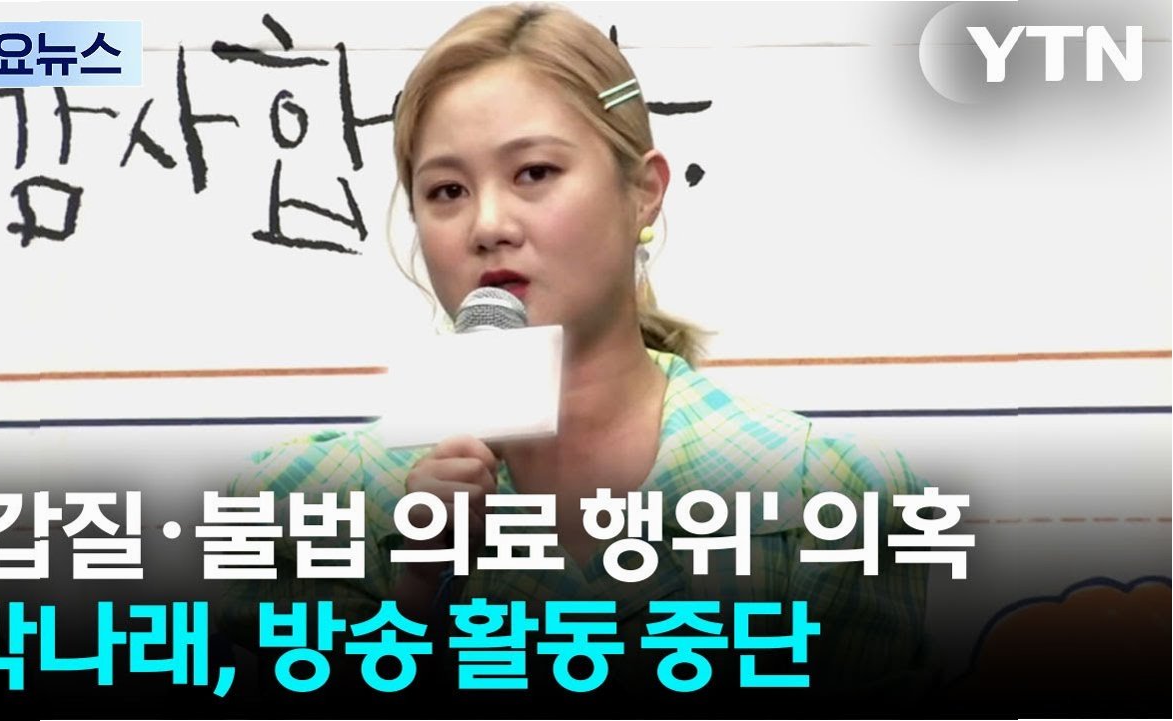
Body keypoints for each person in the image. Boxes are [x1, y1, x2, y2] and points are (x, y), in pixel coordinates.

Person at [217, 2, 938, 710]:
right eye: (446, 191)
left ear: (644, 192)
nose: (488, 224)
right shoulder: (302, 508)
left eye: (534, 173)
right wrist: (414, 601)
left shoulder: (826, 495)